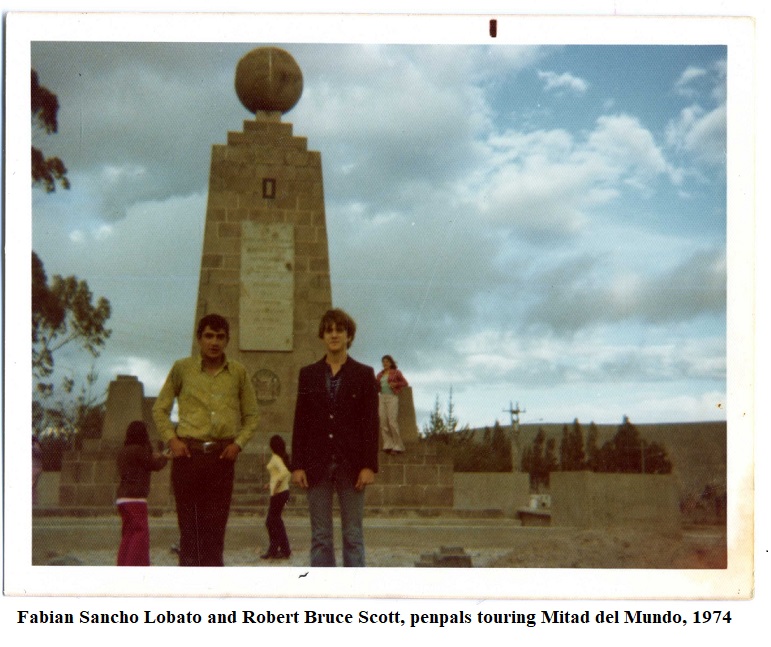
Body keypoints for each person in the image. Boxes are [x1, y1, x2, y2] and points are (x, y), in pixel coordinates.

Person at [153, 313, 259, 567]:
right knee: (189, 533)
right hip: (188, 458)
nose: (214, 342)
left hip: (221, 459)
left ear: (227, 340)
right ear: (199, 338)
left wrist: (238, 444)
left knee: (215, 534)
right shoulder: (182, 369)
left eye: (220, 337)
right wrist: (172, 440)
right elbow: (160, 409)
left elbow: (252, 415)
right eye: (209, 336)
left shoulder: (238, 373)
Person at [291, 308, 379, 567]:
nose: (334, 335)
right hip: (317, 465)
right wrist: (297, 465)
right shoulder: (308, 374)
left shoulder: (364, 374)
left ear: (349, 335)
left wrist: (368, 465)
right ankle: (323, 596)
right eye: (328, 330)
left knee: (352, 536)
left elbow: (370, 424)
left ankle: (354, 597)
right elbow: (301, 422)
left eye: (339, 330)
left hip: (351, 466)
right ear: (322, 336)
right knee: (320, 537)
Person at [115, 420, 168, 566]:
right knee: (140, 534)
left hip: (122, 498)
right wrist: (165, 458)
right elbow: (153, 465)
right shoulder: (140, 450)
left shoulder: (123, 451)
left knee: (128, 534)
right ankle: (135, 566)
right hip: (135, 498)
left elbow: (144, 460)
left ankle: (123, 564)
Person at [261, 434, 292, 560]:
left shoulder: (275, 458)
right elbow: (281, 473)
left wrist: (275, 487)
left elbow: (284, 472)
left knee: (271, 522)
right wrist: (271, 484)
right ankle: (285, 550)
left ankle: (273, 550)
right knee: (276, 521)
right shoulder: (281, 457)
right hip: (282, 492)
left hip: (278, 493)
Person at [376, 355, 409, 455]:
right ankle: (388, 444)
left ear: (391, 363)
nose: (385, 363)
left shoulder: (396, 373)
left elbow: (405, 383)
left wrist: (396, 384)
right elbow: (376, 385)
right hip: (382, 397)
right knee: (383, 421)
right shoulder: (380, 375)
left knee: (392, 421)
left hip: (392, 397)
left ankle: (398, 446)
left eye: (386, 361)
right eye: (383, 362)